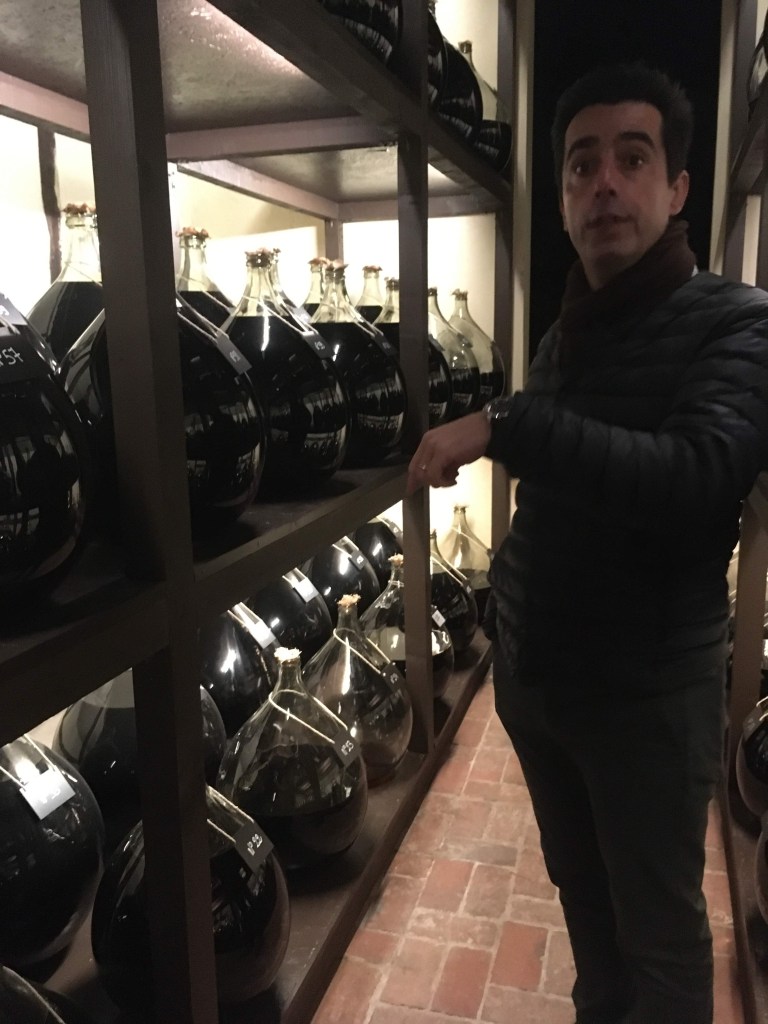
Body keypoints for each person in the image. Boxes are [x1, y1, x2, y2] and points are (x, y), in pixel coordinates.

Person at [407, 62, 768, 1024]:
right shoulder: (568, 331)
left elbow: (697, 478)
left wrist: (510, 422)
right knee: (588, 909)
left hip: (647, 699)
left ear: (678, 188)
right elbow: (563, 491)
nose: (603, 183)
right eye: (580, 165)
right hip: (541, 687)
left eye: (631, 159)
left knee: (661, 943)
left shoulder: (738, 323)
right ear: (564, 199)